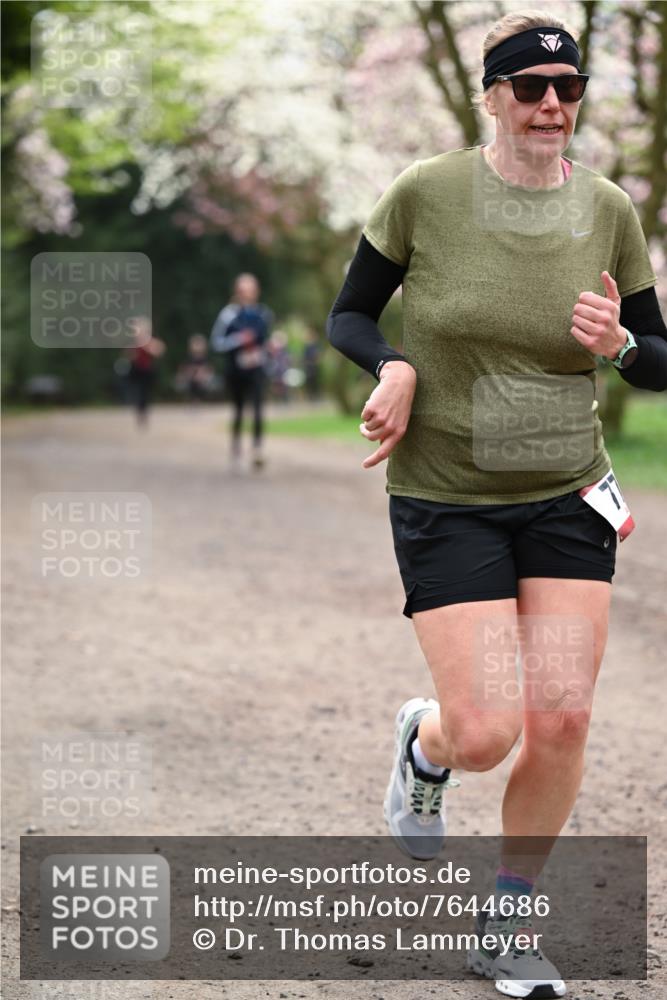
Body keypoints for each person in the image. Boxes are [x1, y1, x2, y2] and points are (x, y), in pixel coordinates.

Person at [327, 9, 667, 998]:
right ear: (492, 96)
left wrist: (618, 348)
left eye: (567, 90)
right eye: (529, 88)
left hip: (565, 493)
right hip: (448, 495)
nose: (551, 105)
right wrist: (389, 363)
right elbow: (349, 311)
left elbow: (659, 363)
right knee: (487, 731)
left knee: (559, 718)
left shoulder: (607, 210)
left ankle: (506, 927)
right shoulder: (425, 195)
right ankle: (425, 745)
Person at [210, 273, 273, 469]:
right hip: (236, 371)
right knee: (238, 410)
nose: (248, 293)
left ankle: (257, 449)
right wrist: (239, 340)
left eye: (251, 289)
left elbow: (266, 342)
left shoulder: (264, 314)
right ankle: (236, 449)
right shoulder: (228, 314)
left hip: (256, 369)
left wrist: (265, 351)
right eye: (244, 289)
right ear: (238, 291)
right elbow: (217, 343)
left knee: (258, 408)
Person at [125, 317, 166, 427]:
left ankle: (143, 413)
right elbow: (129, 356)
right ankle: (140, 412)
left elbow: (159, 351)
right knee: (137, 392)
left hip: (147, 371)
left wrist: (146, 346)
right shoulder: (134, 342)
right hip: (136, 371)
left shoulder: (149, 341)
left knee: (145, 393)